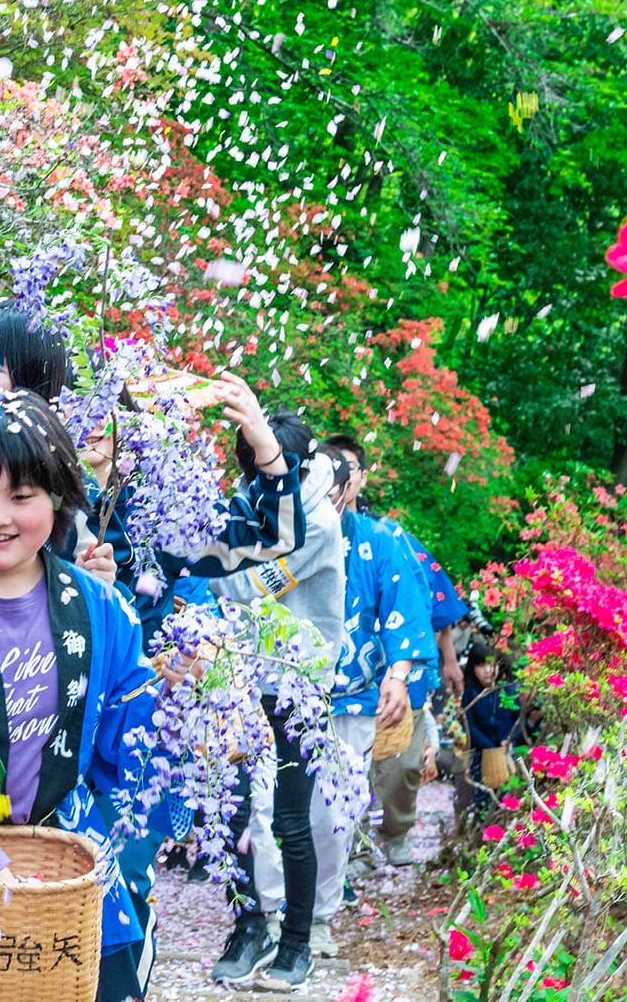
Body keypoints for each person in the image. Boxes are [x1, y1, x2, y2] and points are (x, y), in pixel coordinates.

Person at [0, 387, 307, 1002]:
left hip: (66, 860)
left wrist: (179, 693)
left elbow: (126, 736)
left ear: (56, 500)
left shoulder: (99, 604)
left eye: (22, 496)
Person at [247, 444, 431, 959]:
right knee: (264, 809)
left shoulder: (380, 539)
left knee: (332, 819)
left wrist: (399, 674)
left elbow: (403, 609)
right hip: (276, 693)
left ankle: (317, 917)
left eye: (331, 483)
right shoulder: (274, 527)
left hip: (350, 696)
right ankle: (269, 912)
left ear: (351, 487)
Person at [205, 413, 349, 992]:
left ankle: (296, 943)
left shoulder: (315, 520)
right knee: (228, 810)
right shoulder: (253, 501)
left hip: (297, 680)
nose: (261, 480)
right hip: (239, 674)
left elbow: (241, 584)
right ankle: (248, 929)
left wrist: (206, 563)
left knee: (290, 818)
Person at [321, 433, 466, 867]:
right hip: (322, 680)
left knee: (400, 766)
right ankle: (348, 851)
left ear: (358, 480)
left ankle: (395, 830)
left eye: (347, 473)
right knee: (338, 778)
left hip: (388, 670)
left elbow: (428, 603)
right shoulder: (295, 532)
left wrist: (445, 660)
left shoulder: (387, 536)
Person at [461, 642, 520, 814]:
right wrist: (489, 746)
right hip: (481, 752)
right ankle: (483, 829)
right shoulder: (471, 694)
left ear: (498, 665)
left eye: (490, 664)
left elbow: (518, 720)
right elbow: (469, 726)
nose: (487, 670)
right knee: (483, 796)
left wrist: (509, 739)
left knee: (507, 793)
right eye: (480, 665)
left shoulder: (508, 690)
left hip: (506, 748)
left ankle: (504, 824)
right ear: (472, 669)